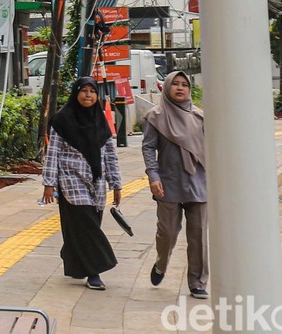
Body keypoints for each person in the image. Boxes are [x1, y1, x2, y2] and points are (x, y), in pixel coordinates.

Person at [41, 76, 123, 291]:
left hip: (97, 182)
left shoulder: (100, 121)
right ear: (76, 93)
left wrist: (116, 183)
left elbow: (110, 155)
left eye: (92, 91)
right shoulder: (61, 120)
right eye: (84, 90)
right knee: (88, 227)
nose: (88, 95)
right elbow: (53, 153)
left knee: (89, 224)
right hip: (71, 180)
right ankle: (95, 271)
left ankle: (71, 253)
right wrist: (49, 182)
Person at [142, 70, 208, 299]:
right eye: (175, 84)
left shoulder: (200, 117)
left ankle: (197, 281)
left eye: (184, 84)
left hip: (198, 181)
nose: (180, 88)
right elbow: (149, 147)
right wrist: (153, 175)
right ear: (167, 87)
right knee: (168, 232)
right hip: (168, 182)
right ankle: (161, 263)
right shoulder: (155, 116)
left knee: (198, 235)